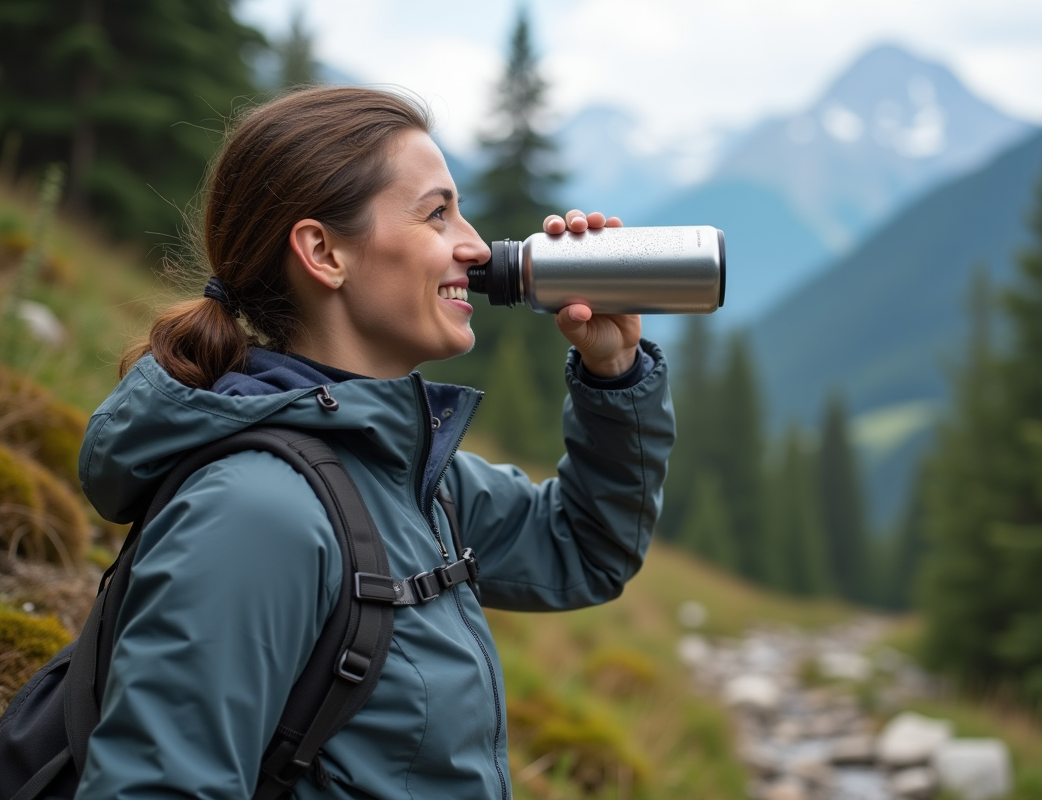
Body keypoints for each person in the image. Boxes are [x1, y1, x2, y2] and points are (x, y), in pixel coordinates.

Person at [73, 86, 674, 799]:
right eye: (437, 213)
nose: (476, 246)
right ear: (324, 252)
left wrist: (613, 371)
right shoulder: (254, 514)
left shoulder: (403, 475)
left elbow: (583, 547)